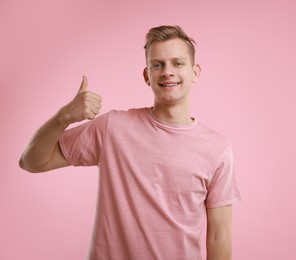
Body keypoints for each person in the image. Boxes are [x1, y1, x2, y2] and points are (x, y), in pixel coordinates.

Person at [19, 25, 242, 260]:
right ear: (147, 75)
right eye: (157, 65)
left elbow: (219, 236)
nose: (167, 72)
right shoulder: (112, 127)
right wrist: (63, 117)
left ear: (195, 72)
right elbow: (31, 162)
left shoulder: (217, 148)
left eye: (177, 63)